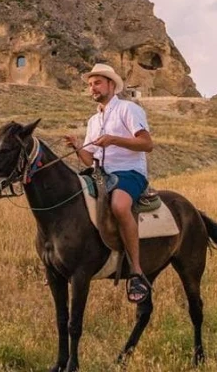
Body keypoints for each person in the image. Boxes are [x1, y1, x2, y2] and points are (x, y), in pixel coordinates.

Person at [63, 63, 155, 303]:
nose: (93, 88)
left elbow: (147, 144)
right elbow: (90, 158)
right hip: (101, 173)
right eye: (90, 84)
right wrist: (77, 147)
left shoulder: (128, 109)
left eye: (97, 83)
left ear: (111, 85)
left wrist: (114, 140)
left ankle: (136, 271)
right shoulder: (94, 120)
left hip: (129, 172)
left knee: (120, 206)